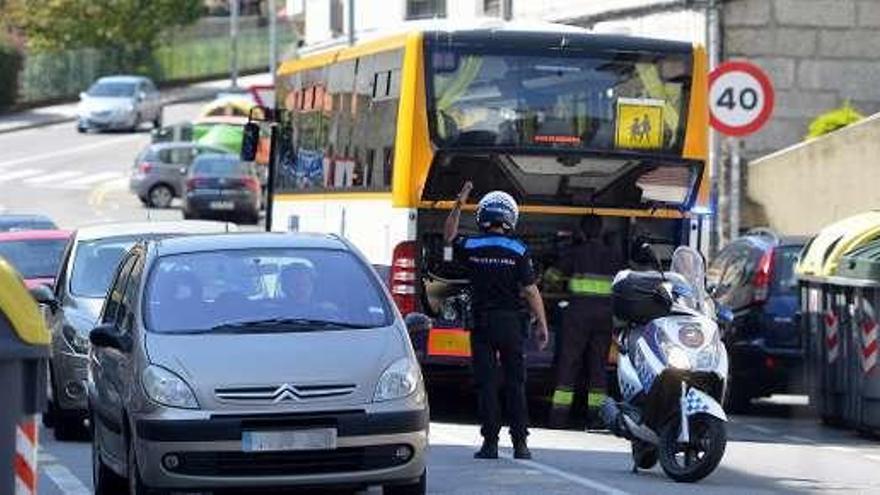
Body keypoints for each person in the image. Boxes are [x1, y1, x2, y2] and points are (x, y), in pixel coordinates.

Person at [444, 181, 549, 460]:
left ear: (484, 217)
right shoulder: (518, 250)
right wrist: (542, 324)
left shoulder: (473, 245)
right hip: (512, 325)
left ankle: (490, 444)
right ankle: (520, 445)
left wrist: (458, 203)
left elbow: (449, 236)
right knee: (515, 384)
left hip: (482, 325)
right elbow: (530, 290)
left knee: (487, 384)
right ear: (509, 218)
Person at [547, 215, 624, 429]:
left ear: (582, 232)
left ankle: (559, 418)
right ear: (600, 231)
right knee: (598, 366)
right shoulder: (613, 256)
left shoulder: (575, 253)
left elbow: (552, 277)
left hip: (577, 315)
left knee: (569, 363)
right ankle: (596, 417)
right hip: (604, 317)